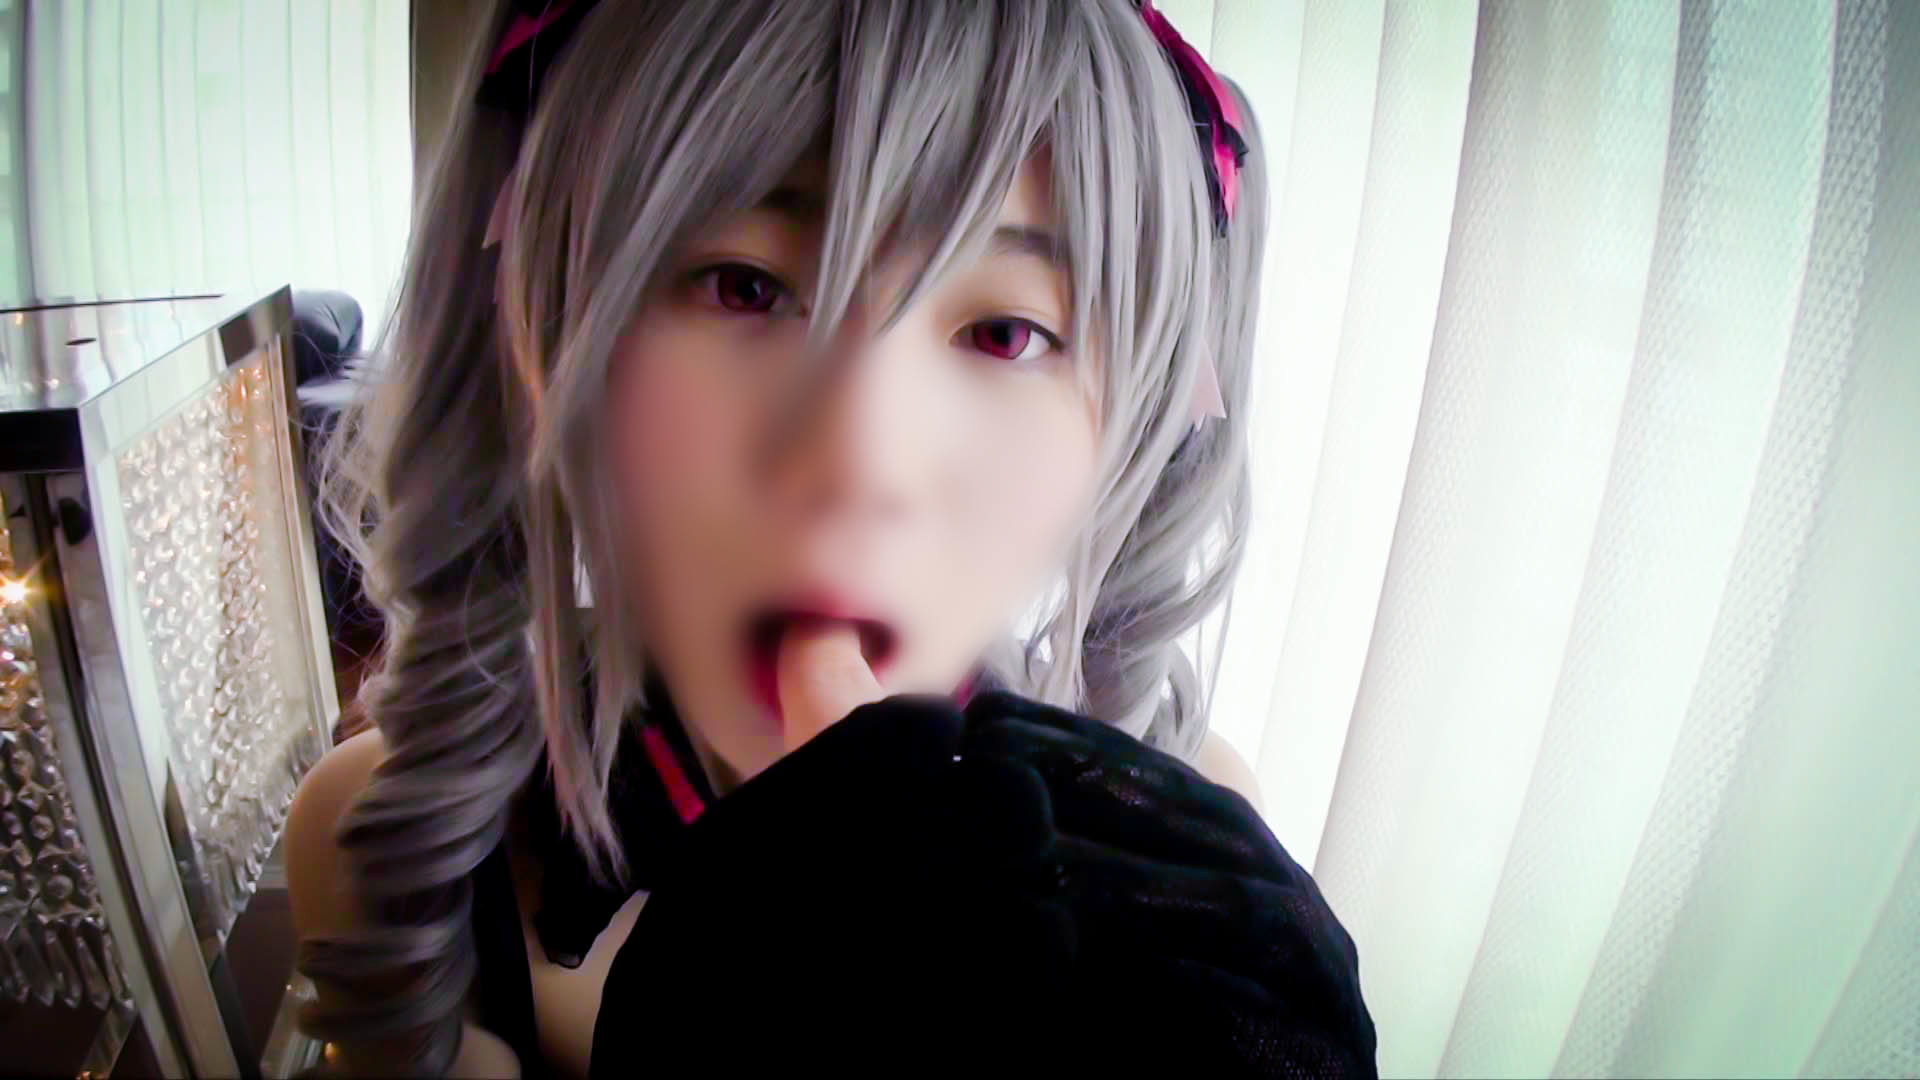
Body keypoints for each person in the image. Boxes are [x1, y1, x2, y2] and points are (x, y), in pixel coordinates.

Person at [285, 0, 1377, 1076]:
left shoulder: (1200, 859)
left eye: (1006, 333)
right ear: (545, 323)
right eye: (744, 286)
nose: (859, 459)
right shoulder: (387, 844)